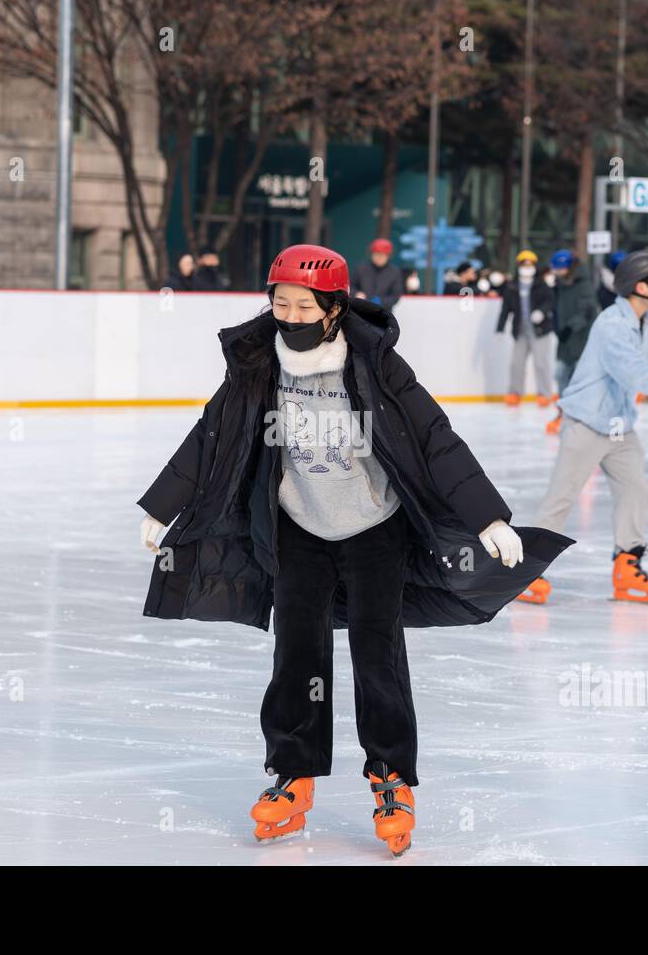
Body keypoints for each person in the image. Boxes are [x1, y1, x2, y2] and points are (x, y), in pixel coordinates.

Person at [135, 243, 570, 857]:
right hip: (297, 528)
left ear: (334, 310)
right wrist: (162, 504)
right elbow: (210, 435)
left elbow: (435, 438)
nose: (289, 316)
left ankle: (391, 774)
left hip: (375, 529)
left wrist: (489, 517)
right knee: (297, 653)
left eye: (303, 306)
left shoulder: (375, 362)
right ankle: (294, 775)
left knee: (377, 651)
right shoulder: (260, 363)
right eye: (279, 302)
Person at [518, 251, 648, 606]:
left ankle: (627, 565)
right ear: (641, 286)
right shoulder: (612, 324)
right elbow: (632, 373)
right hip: (587, 423)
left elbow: (633, 378)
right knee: (560, 499)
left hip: (619, 427)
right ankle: (524, 574)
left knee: (636, 492)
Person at [546, 248, 598, 435]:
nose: (557, 272)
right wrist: (556, 326)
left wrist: (571, 327)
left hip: (581, 340)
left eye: (559, 269)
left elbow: (588, 311)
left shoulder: (584, 284)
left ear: (568, 267)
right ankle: (564, 413)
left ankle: (583, 417)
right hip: (565, 340)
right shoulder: (559, 285)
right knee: (560, 375)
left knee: (580, 381)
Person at [496, 250, 555, 406]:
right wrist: (500, 328)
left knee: (541, 363)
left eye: (530, 265)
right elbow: (506, 308)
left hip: (540, 330)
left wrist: (542, 312)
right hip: (520, 330)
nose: (527, 268)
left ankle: (544, 394)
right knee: (516, 363)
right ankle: (515, 392)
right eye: (524, 265)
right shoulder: (512, 286)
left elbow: (550, 300)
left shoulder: (541, 284)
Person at [350, 238, 405, 311]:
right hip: (361, 311)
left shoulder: (395, 272)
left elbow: (396, 295)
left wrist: (381, 301)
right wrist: (356, 294)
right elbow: (350, 286)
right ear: (372, 254)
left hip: (384, 313)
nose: (379, 257)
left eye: (382, 255)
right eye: (377, 254)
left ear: (388, 256)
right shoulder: (361, 269)